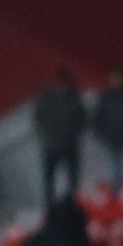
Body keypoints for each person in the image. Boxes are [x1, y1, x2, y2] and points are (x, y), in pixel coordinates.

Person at [33, 70, 86, 201]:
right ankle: (50, 201)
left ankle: (72, 201)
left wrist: (73, 133)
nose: (64, 86)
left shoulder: (74, 98)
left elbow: (82, 119)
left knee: (73, 176)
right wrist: (46, 133)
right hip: (51, 144)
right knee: (49, 177)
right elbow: (38, 117)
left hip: (69, 143)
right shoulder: (46, 98)